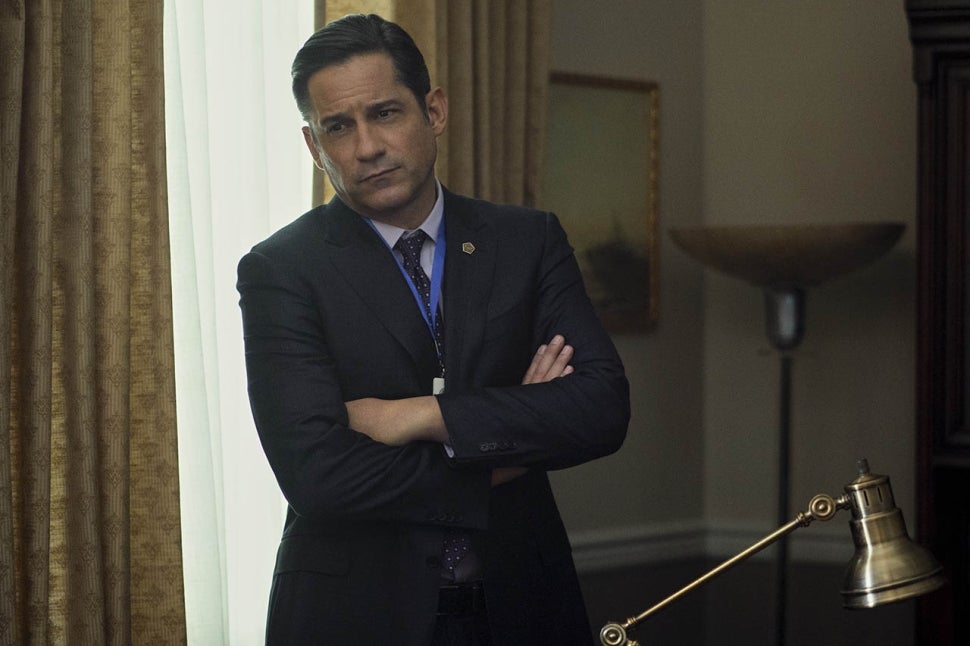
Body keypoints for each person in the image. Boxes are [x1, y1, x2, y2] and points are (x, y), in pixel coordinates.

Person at [237, 13, 630, 646]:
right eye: (339, 127)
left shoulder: (526, 242)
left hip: (523, 605)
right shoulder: (281, 270)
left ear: (435, 111)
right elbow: (318, 477)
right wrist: (515, 441)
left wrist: (418, 417)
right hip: (358, 616)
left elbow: (601, 409)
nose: (367, 146)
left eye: (385, 113)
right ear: (314, 146)